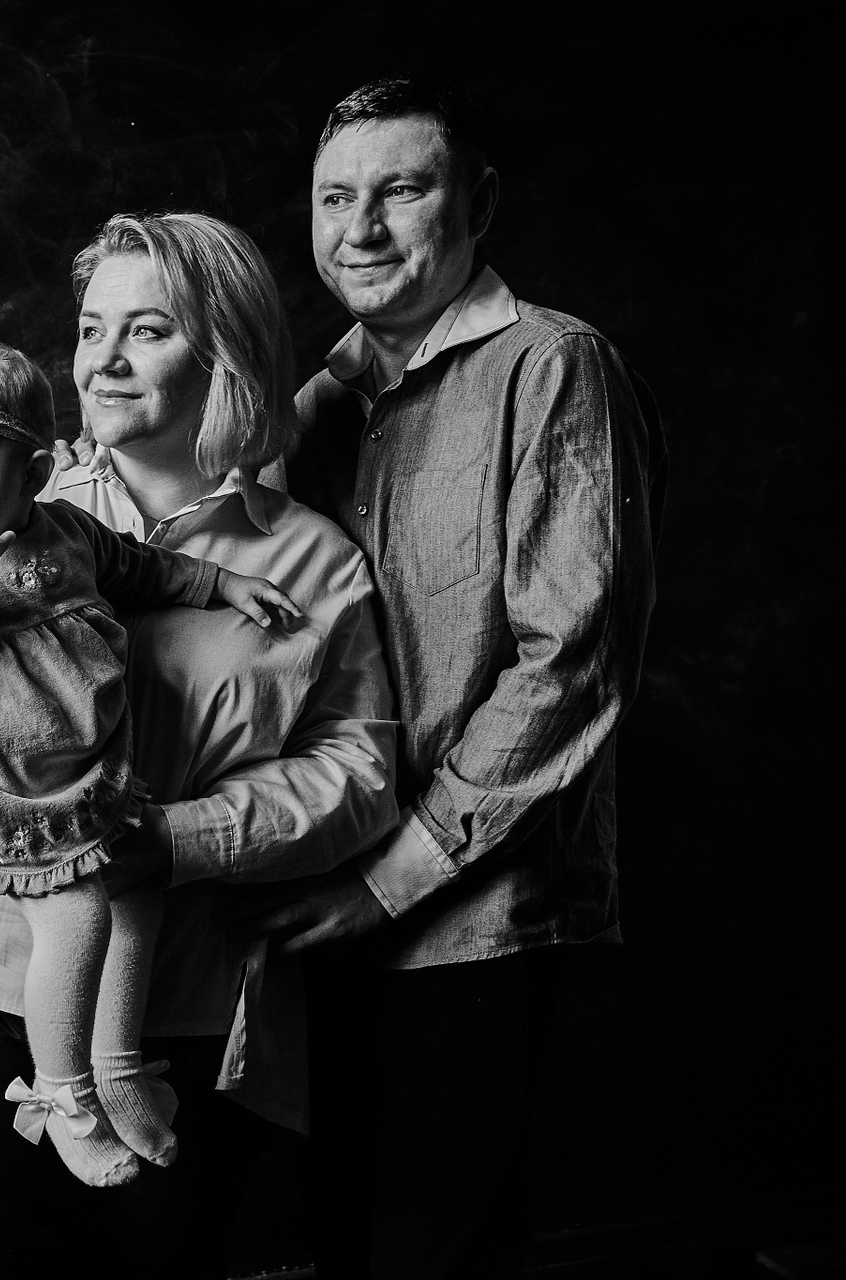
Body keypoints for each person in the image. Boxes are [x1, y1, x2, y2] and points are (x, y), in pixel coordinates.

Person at [0, 211, 399, 1278]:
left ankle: (109, 1076)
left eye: (148, 329)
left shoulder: (311, 560)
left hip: (173, 998)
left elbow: (359, 776)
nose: (104, 358)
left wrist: (172, 840)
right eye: (93, 328)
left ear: (225, 352)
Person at [238, 76, 665, 1278]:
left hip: (475, 924)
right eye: (336, 198)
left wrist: (389, 880)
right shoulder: (311, 408)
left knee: (436, 1254)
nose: (361, 228)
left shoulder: (555, 366)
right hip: (326, 913)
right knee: (340, 1238)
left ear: (477, 203)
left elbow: (570, 661)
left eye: (401, 191)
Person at [0, 339, 300, 1186]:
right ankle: (62, 1097)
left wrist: (221, 585)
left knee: (138, 898)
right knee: (80, 917)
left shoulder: (67, 533)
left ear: (33, 473)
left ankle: (118, 1069)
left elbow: (144, 567)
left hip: (86, 774)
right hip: (1, 791)